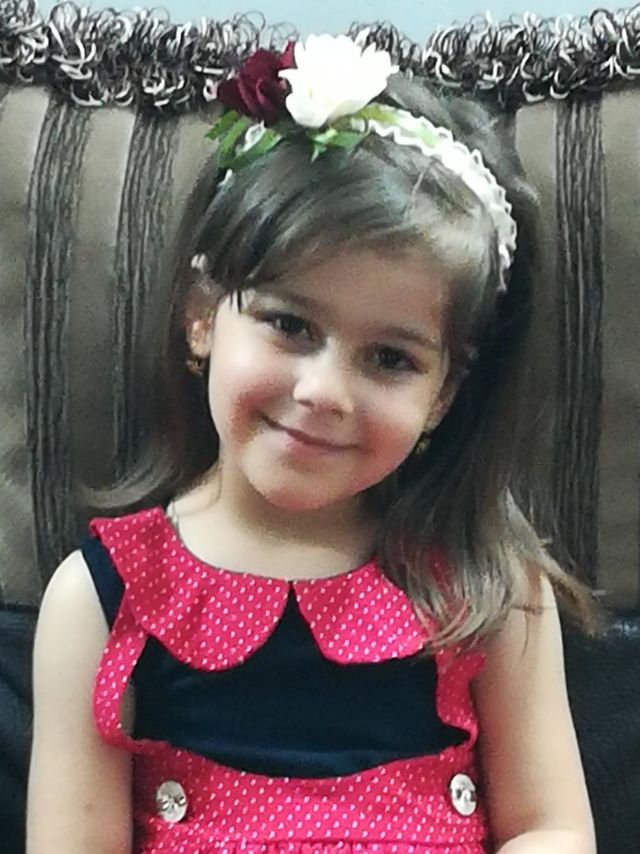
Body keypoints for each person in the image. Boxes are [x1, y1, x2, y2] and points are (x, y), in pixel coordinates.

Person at [27, 33, 597, 854]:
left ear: (443, 395)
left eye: (390, 359)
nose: (324, 392)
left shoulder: (487, 585)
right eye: (290, 324)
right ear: (202, 316)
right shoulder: (101, 601)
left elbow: (551, 826)